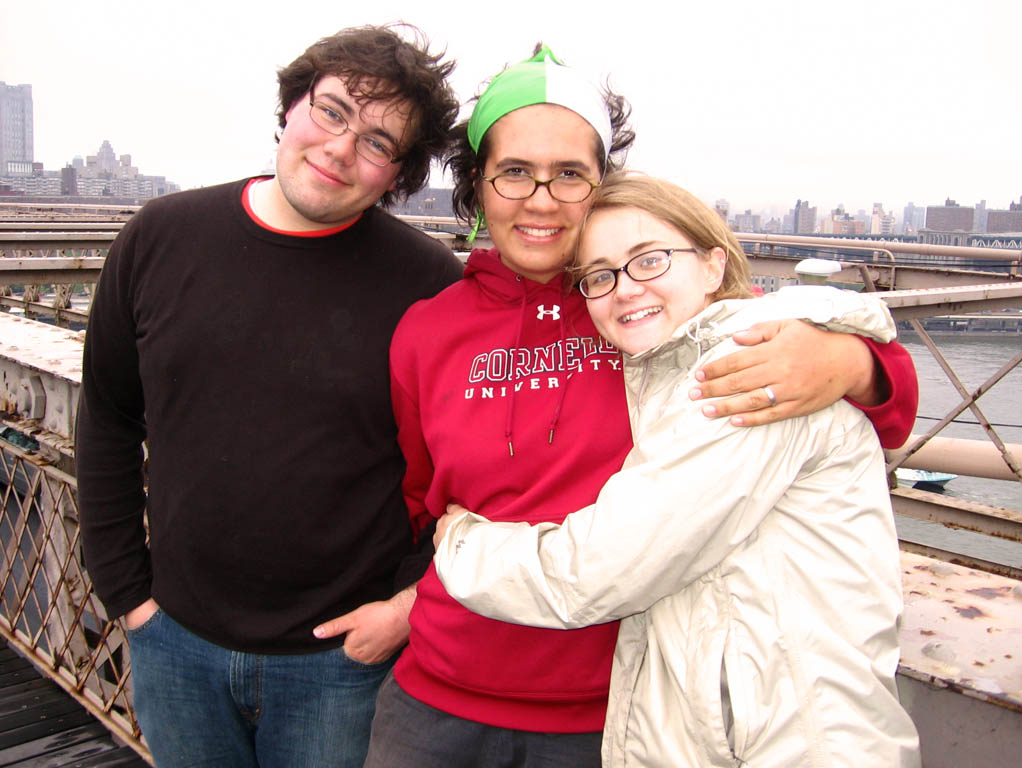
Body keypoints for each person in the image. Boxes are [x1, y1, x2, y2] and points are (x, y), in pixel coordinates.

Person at [362, 46, 918, 767]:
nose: (540, 198)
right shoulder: (428, 330)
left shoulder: (648, 306)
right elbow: (420, 494)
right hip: (437, 696)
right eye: (514, 173)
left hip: (612, 709)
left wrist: (858, 363)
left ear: (600, 184)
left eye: (569, 175)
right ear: (478, 184)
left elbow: (869, 398)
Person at [74, 24, 463, 768]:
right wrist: (130, 598)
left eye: (379, 142)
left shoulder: (428, 287)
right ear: (292, 105)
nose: (341, 148)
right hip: (174, 644)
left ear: (397, 174)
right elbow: (109, 418)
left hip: (340, 667)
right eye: (333, 110)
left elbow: (466, 471)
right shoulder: (159, 238)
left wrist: (405, 610)